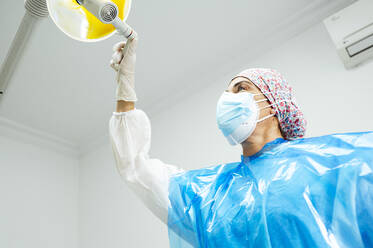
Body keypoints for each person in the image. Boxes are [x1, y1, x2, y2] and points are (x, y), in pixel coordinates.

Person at [109, 34, 373, 247]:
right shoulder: (208, 195)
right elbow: (136, 168)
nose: (227, 100)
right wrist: (125, 83)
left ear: (274, 104)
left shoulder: (334, 161)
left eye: (241, 89)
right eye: (226, 93)